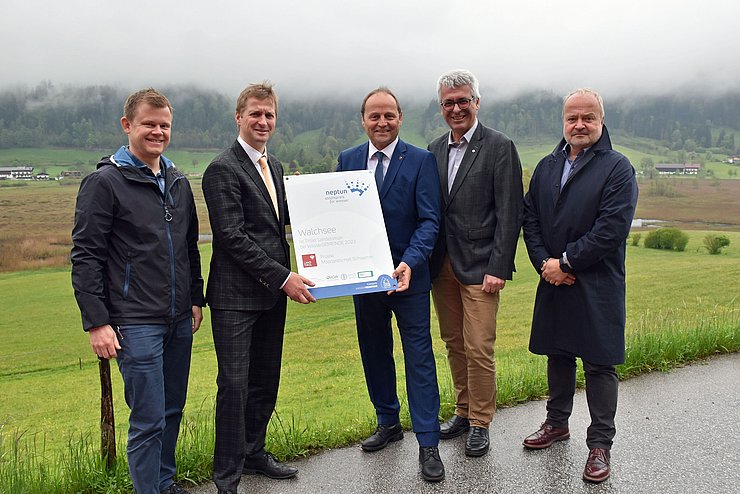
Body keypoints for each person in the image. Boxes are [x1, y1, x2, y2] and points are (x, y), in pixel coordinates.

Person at [71, 88, 204, 494]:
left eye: (164, 125)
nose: (158, 132)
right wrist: (97, 322)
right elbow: (86, 256)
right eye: (149, 124)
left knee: (172, 410)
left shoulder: (178, 181)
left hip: (179, 318)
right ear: (127, 125)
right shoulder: (104, 183)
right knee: (148, 418)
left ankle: (164, 483)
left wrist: (195, 298)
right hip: (135, 322)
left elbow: (188, 246)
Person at [202, 82, 315, 494]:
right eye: (255, 114)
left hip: (270, 294)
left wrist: (314, 202)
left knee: (265, 379)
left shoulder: (277, 166)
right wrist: (284, 277)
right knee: (234, 385)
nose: (262, 121)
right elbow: (232, 237)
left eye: (269, 115)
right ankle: (226, 477)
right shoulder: (222, 169)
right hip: (235, 299)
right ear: (239, 117)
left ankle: (255, 452)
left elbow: (280, 224)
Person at [522, 88, 638, 483]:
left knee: (599, 362)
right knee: (558, 352)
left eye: (588, 117)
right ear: (563, 122)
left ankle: (600, 445)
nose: (579, 125)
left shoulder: (617, 167)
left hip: (597, 281)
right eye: (572, 118)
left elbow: (612, 228)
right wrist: (544, 263)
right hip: (553, 277)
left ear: (601, 121)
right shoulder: (547, 166)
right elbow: (530, 219)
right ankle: (557, 424)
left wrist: (566, 261)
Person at [336, 88, 444, 482]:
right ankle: (388, 422)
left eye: (389, 115)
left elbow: (430, 221)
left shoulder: (421, 160)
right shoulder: (347, 160)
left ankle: (428, 443)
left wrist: (410, 261)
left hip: (408, 278)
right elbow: (339, 218)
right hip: (364, 281)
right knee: (374, 350)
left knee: (419, 356)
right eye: (374, 116)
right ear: (362, 120)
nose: (382, 122)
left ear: (401, 117)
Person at [428, 69, 523, 457]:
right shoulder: (433, 149)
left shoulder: (500, 146)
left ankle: (481, 422)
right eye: (449, 103)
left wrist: (499, 267)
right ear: (441, 108)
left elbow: (510, 211)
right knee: (453, 343)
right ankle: (463, 412)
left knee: (479, 346)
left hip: (482, 266)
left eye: (463, 100)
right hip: (442, 266)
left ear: (477, 103)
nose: (456, 108)